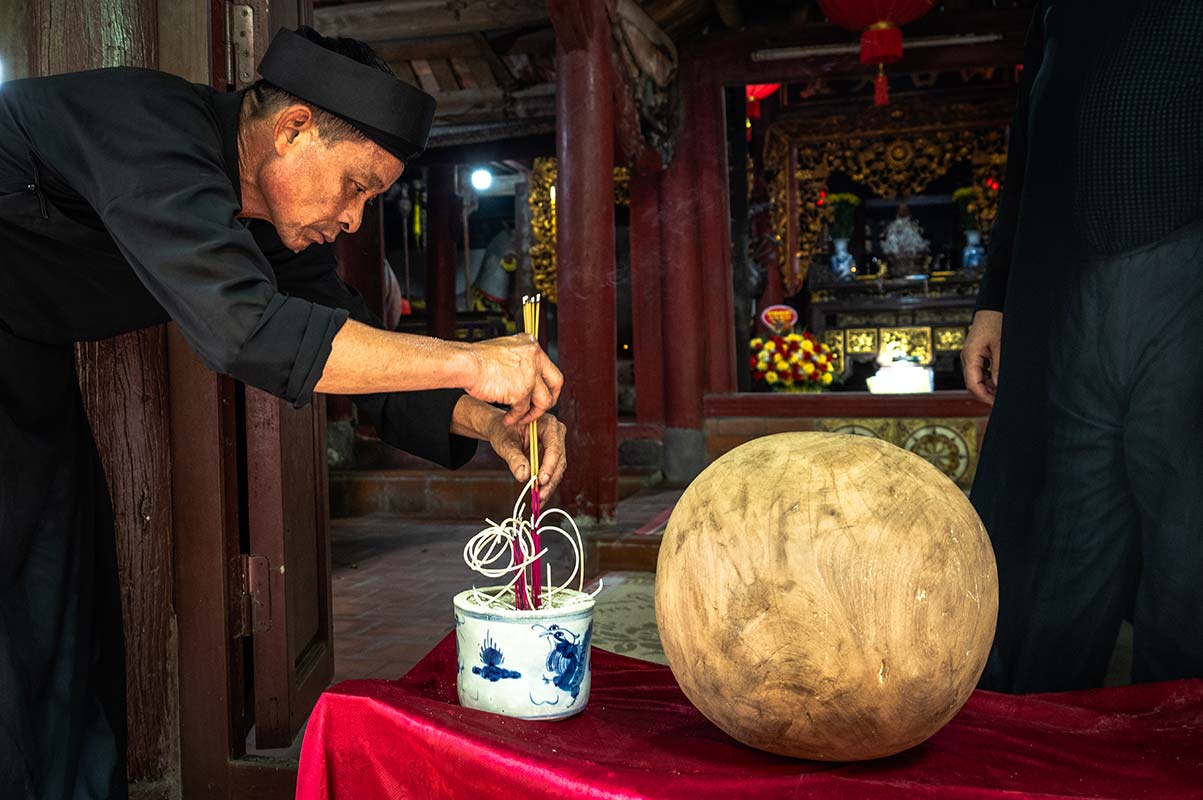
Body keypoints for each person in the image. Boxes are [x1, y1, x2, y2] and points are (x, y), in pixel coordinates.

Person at [0, 26, 566, 798]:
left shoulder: (267, 227)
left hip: (23, 357)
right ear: (294, 128)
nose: (354, 219)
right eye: (355, 186)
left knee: (59, 594)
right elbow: (247, 331)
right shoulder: (151, 128)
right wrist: (471, 360)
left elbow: (347, 339)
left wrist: (486, 418)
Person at [961, 0, 1203, 694]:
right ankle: (1049, 728)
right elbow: (1027, 152)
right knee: (1067, 533)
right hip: (1068, 293)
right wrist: (996, 300)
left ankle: (1173, 733)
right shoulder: (1056, 9)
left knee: (1186, 537)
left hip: (1187, 275)